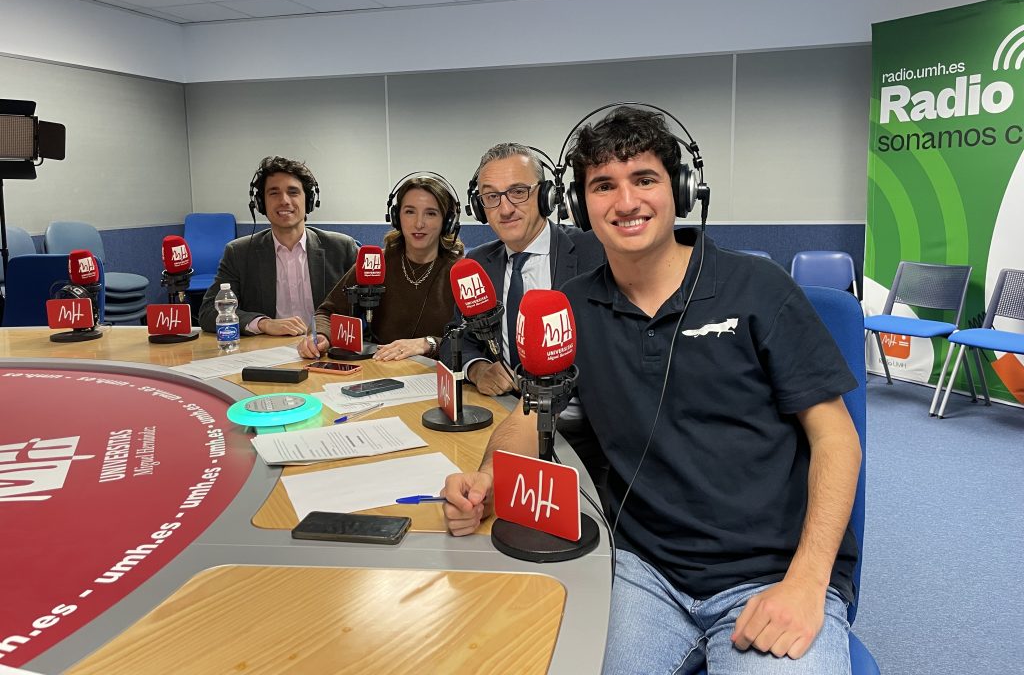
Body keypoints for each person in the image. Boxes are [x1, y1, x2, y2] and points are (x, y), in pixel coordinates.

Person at [442, 107, 863, 674]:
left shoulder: (759, 288)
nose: (625, 202)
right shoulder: (573, 306)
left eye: (644, 179)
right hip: (639, 569)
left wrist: (808, 582)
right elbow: (531, 414)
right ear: (578, 205)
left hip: (771, 573)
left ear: (680, 191)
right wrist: (488, 480)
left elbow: (836, 438)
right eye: (603, 185)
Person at [447, 142, 604, 395]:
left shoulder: (595, 251)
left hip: (578, 413)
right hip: (505, 406)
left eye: (518, 192)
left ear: (546, 196)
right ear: (479, 208)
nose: (506, 209)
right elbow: (455, 337)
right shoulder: (478, 263)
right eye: (492, 197)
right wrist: (477, 368)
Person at [298, 174, 464, 362]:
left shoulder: (461, 273)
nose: (419, 223)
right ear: (396, 217)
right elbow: (327, 313)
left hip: (436, 375)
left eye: (431, 213)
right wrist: (322, 336)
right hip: (380, 369)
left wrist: (428, 343)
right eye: (410, 212)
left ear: (448, 221)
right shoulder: (375, 262)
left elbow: (473, 342)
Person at [199, 156, 357, 336]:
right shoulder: (239, 253)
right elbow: (209, 312)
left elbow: (373, 307)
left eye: (293, 192)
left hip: (326, 346)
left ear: (309, 200)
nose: (284, 201)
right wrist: (263, 323)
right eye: (274, 193)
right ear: (261, 203)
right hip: (268, 348)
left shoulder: (342, 248)